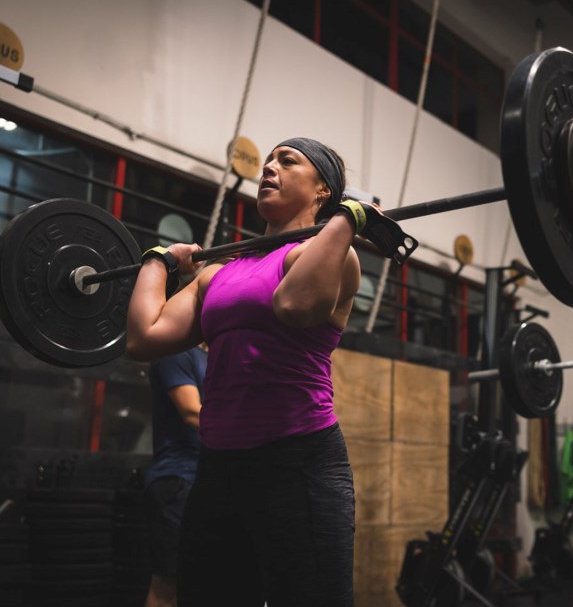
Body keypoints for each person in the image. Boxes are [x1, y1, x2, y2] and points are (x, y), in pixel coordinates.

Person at [126, 137, 394, 606]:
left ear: (321, 191)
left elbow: (295, 305)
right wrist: (159, 261)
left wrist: (345, 222)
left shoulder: (330, 254)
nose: (269, 167)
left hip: (299, 463)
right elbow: (143, 337)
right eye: (268, 160)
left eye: (287, 161)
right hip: (219, 468)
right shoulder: (217, 273)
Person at [144, 343, 207, 607]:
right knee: (168, 583)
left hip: (208, 479)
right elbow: (192, 412)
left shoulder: (216, 356)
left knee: (204, 580)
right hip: (178, 479)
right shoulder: (176, 352)